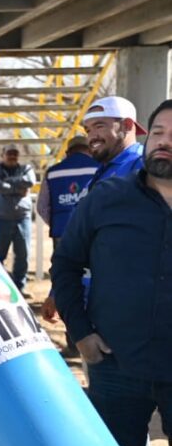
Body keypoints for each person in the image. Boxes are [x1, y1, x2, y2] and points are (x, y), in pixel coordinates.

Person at [51, 99, 172, 446]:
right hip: (117, 365)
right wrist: (81, 331)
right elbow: (66, 264)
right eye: (159, 133)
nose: (164, 142)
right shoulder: (107, 198)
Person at [42, 98, 146, 322]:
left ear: (128, 126)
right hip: (99, 304)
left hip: (134, 310)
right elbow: (81, 240)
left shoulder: (144, 167)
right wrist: (59, 291)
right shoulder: (100, 175)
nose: (92, 137)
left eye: (100, 126)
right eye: (88, 130)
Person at [0, 144, 35, 295]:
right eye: (9, 153)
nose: (12, 156)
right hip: (1, 219)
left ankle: (20, 287)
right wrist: (17, 189)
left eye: (15, 153)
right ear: (3, 155)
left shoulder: (26, 168)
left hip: (22, 218)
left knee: (23, 254)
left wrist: (8, 183)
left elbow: (30, 182)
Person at [35, 135, 97, 251]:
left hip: (61, 231)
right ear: (90, 149)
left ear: (67, 152)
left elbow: (42, 207)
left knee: (64, 268)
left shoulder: (52, 172)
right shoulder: (100, 168)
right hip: (92, 232)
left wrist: (56, 221)